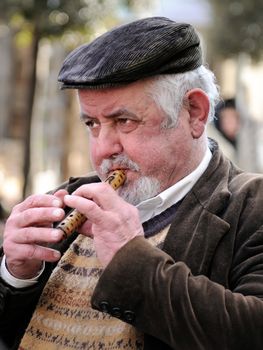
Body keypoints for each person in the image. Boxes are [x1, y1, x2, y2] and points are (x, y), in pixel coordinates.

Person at [0, 16, 263, 350]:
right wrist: (16, 276)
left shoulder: (252, 205)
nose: (103, 149)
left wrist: (130, 260)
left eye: (124, 121)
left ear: (195, 112)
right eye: (92, 124)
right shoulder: (64, 200)